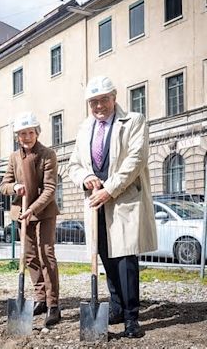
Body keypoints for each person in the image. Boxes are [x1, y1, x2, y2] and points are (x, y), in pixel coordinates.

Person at [68, 76, 157, 338]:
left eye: (103, 99)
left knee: (125, 259)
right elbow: (74, 164)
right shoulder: (85, 128)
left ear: (114, 97)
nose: (99, 106)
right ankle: (116, 306)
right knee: (106, 256)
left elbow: (136, 159)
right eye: (93, 102)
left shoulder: (134, 121)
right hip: (96, 202)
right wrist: (85, 178)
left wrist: (109, 189)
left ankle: (132, 318)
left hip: (123, 200)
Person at [0, 111, 61, 327]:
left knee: (46, 254)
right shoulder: (14, 157)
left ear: (37, 133)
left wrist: (32, 209)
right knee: (30, 256)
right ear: (17, 136)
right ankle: (40, 299)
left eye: (29, 132)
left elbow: (50, 188)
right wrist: (14, 187)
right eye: (22, 133)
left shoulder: (47, 155)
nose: (25, 137)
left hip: (44, 212)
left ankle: (53, 305)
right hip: (21, 212)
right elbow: (3, 184)